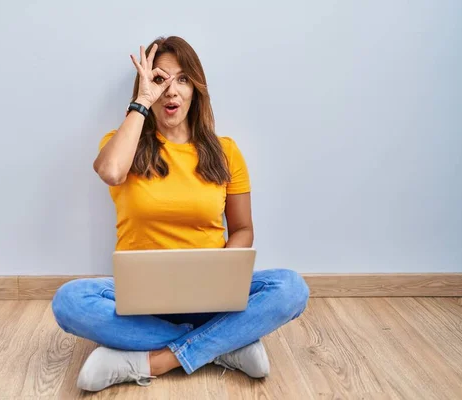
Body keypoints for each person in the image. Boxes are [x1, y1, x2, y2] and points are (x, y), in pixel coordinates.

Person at [51, 36, 310, 392]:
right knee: (69, 301)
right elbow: (110, 172)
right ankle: (224, 346)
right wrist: (142, 101)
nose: (172, 91)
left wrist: (223, 277)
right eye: (160, 79)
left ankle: (146, 360)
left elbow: (243, 229)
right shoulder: (122, 144)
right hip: (140, 301)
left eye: (183, 79)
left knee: (291, 287)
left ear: (196, 89)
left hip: (210, 297)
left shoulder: (225, 152)